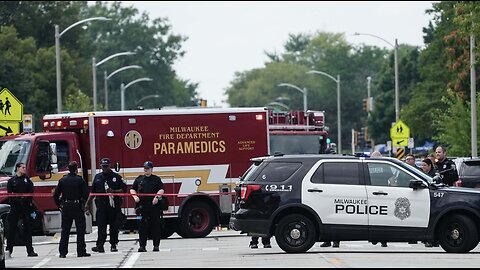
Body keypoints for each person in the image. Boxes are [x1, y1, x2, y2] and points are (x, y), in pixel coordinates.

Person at [87, 158, 127, 253]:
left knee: (114, 227)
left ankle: (113, 245)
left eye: (106, 166)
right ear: (100, 166)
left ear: (110, 166)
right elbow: (92, 192)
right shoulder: (97, 177)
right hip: (101, 206)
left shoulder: (116, 177)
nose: (104, 168)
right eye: (103, 166)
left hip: (113, 206)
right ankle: (100, 246)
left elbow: (123, 190)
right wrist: (87, 204)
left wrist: (113, 191)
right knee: (101, 227)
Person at [53, 161, 90, 258]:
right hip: (77, 206)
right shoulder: (80, 180)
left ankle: (62, 252)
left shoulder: (62, 180)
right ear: (76, 169)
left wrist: (59, 204)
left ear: (68, 169)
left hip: (66, 207)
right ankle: (81, 251)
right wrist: (83, 203)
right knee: (80, 230)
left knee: (65, 231)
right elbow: (86, 194)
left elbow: (56, 194)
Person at [130, 161, 165, 252]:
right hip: (142, 206)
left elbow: (161, 189)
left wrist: (157, 197)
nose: (146, 170)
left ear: (151, 169)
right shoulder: (139, 179)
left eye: (148, 168)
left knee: (155, 226)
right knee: (142, 227)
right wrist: (135, 197)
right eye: (145, 168)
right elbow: (132, 189)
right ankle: (142, 246)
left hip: (153, 206)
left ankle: (156, 246)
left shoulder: (156, 179)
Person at [6, 163, 38, 257]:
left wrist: (25, 200)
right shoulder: (12, 181)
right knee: (12, 229)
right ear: (18, 168)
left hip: (25, 207)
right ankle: (9, 250)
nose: (24, 169)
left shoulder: (27, 180)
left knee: (27, 229)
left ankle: (30, 251)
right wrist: (17, 200)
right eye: (23, 168)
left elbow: (31, 193)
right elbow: (9, 195)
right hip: (15, 208)